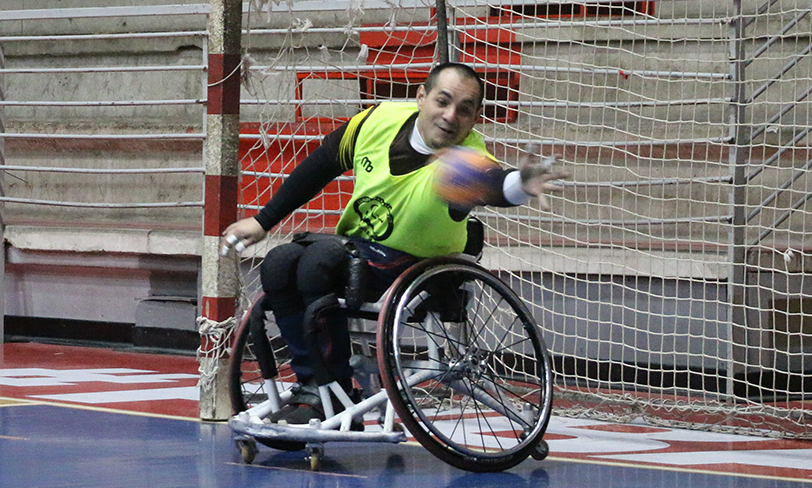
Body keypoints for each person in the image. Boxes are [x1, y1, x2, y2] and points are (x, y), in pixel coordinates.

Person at [222, 62, 568, 424]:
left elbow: (494, 182)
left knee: (316, 264)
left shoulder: (461, 162)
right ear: (421, 97)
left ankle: (331, 393)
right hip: (359, 251)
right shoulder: (377, 121)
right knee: (279, 262)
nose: (450, 116)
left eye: (464, 109)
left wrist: (520, 185)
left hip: (419, 266)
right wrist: (263, 221)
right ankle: (316, 385)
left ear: (476, 118)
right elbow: (322, 163)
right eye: (443, 101)